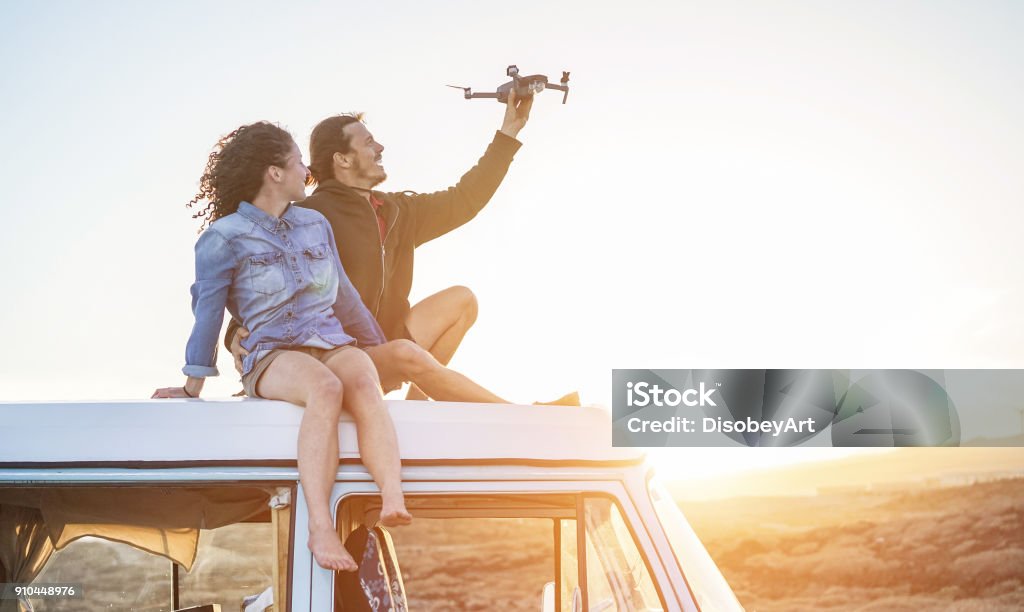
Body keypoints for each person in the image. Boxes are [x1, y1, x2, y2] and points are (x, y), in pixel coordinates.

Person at [152, 122, 411, 572]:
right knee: (326, 389)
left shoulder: (315, 223)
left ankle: (392, 495)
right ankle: (319, 527)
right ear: (274, 173)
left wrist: (378, 348)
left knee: (362, 377)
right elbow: (208, 313)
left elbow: (344, 295)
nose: (306, 170)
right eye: (297, 162)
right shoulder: (223, 238)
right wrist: (192, 385)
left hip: (329, 338)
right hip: (272, 353)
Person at [227, 92, 577, 404]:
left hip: (384, 342)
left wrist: (508, 132)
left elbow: (465, 199)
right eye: (368, 143)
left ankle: (414, 409)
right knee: (407, 354)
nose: (379, 149)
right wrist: (234, 332)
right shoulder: (310, 216)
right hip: (337, 356)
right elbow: (257, 272)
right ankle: (518, 418)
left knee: (461, 300)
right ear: (343, 160)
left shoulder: (396, 212)